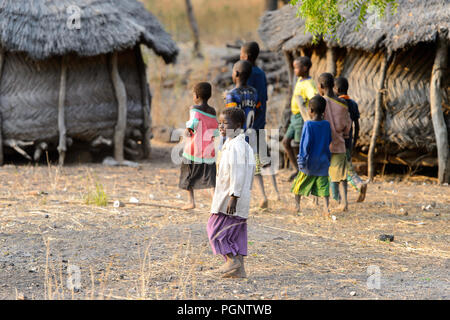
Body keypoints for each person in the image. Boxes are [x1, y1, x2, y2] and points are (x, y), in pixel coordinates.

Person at [207, 107, 255, 278]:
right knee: (236, 232)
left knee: (215, 229)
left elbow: (239, 173)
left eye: (225, 123)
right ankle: (239, 269)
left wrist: (234, 197)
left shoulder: (238, 147)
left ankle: (231, 260)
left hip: (231, 199)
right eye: (219, 123)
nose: (221, 127)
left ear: (238, 125)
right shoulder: (234, 144)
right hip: (238, 198)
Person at [240, 41, 280, 207]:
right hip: (260, 122)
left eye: (241, 55)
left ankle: (263, 196)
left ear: (246, 57)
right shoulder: (261, 73)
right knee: (265, 159)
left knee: (253, 161)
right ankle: (276, 192)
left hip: (248, 126)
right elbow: (263, 98)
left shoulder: (245, 73)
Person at [179, 82, 218, 210]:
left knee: (187, 175)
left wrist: (186, 132)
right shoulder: (213, 111)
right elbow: (216, 130)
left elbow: (193, 124)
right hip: (208, 151)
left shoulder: (194, 109)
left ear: (196, 96)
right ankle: (215, 202)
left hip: (193, 149)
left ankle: (191, 202)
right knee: (211, 179)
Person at [291, 95, 332, 215]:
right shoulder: (326, 125)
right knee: (324, 186)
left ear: (310, 111)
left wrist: (301, 161)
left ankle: (297, 206)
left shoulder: (308, 125)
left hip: (309, 163)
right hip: (323, 162)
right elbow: (329, 140)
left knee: (299, 184)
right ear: (324, 111)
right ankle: (326, 208)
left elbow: (305, 145)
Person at [318, 73, 352, 212]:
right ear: (333, 86)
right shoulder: (343, 103)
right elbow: (347, 124)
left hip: (324, 145)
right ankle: (344, 202)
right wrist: (345, 134)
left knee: (323, 175)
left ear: (320, 86)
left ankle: (325, 204)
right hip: (339, 144)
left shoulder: (319, 102)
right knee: (342, 176)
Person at [282, 57, 318, 181]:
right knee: (286, 142)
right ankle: (297, 169)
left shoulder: (308, 84)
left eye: (296, 67)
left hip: (301, 117)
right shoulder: (300, 80)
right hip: (294, 117)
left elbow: (314, 98)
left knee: (298, 145)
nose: (295, 70)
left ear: (305, 68)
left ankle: (303, 171)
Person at [334, 77, 367, 202]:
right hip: (348, 141)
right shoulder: (353, 104)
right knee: (346, 167)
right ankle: (342, 196)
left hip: (337, 142)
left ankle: (358, 185)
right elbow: (357, 125)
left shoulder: (336, 104)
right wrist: (354, 141)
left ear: (337, 89)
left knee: (345, 170)